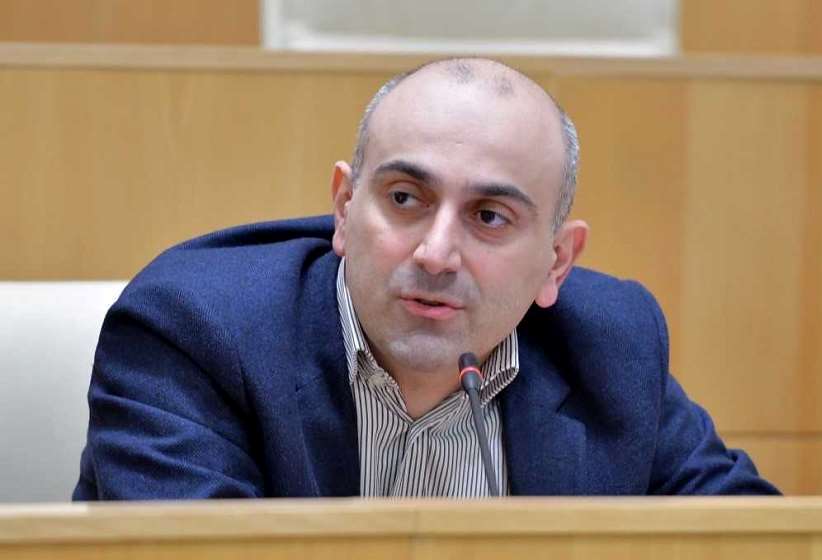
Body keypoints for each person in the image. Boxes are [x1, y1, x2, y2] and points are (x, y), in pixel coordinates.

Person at [73, 58, 778, 499]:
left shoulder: (612, 347)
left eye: (489, 217)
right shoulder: (193, 332)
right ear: (345, 208)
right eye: (406, 199)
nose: (437, 254)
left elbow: (752, 537)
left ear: (557, 261)